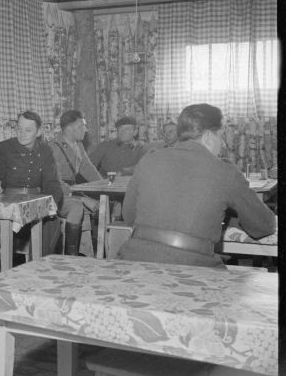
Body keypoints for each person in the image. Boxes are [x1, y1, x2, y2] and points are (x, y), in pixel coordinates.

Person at [117, 103, 276, 268]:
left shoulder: (148, 160)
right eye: (220, 137)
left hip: (134, 262)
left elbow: (129, 216)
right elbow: (264, 225)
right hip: (193, 267)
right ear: (208, 136)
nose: (222, 145)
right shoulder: (225, 170)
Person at [0, 111, 64, 256]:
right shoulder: (4, 148)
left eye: (28, 130)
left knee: (52, 223)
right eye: (19, 129)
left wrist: (51, 205)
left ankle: (38, 266)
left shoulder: (45, 150)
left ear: (39, 132)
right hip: (9, 201)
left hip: (36, 200)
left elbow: (52, 183)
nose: (22, 134)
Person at [49, 110, 101, 255]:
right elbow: (56, 183)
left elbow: (88, 168)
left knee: (103, 203)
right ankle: (70, 255)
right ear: (70, 128)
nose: (86, 129)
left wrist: (105, 185)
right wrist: (81, 198)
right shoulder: (54, 147)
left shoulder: (78, 145)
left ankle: (92, 252)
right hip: (56, 193)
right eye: (82, 126)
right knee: (79, 206)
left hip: (71, 190)